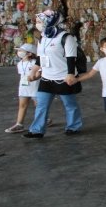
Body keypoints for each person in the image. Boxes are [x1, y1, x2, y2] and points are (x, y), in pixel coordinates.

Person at [24, 10, 84, 138]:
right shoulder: (42, 38)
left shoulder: (66, 37)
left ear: (50, 21)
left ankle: (73, 126)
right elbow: (40, 58)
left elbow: (71, 57)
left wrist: (70, 74)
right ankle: (37, 130)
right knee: (41, 105)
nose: (38, 24)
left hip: (63, 77)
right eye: (37, 22)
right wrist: (33, 72)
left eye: (40, 22)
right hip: (47, 78)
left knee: (70, 104)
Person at [6, 43, 40, 133]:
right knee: (22, 105)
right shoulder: (20, 64)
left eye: (21, 51)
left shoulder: (35, 63)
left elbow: (39, 74)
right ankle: (19, 124)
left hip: (34, 87)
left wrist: (34, 78)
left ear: (29, 53)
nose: (19, 52)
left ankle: (44, 119)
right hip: (24, 87)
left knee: (38, 105)